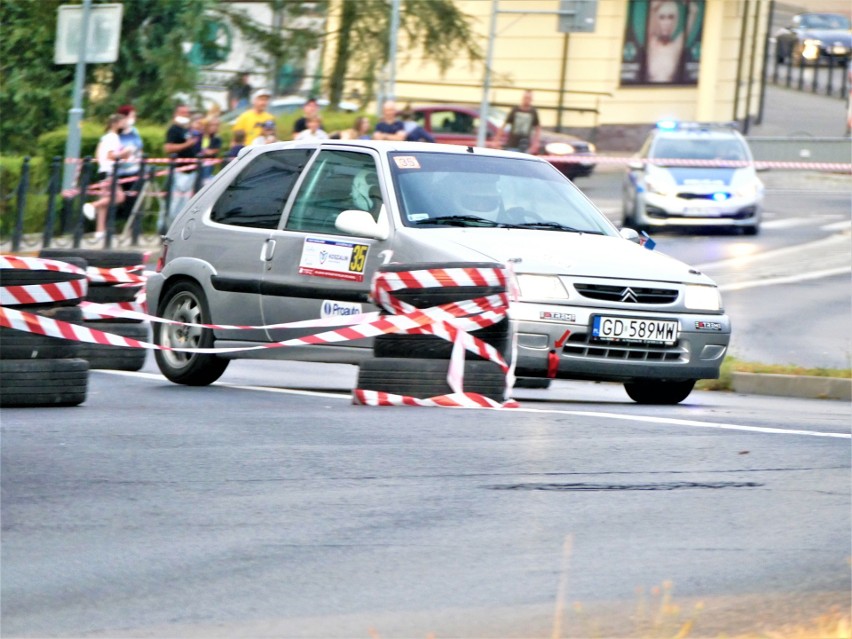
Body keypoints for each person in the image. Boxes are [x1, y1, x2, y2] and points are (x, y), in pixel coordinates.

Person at [83, 113, 132, 238]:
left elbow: (99, 154)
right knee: (119, 197)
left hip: (103, 170)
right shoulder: (113, 137)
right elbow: (111, 155)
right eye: (122, 122)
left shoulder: (105, 137)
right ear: (115, 124)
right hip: (110, 171)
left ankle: (100, 231)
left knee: (104, 200)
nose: (124, 124)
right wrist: (125, 153)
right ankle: (91, 205)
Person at [164, 104, 201, 223]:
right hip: (179, 170)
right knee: (174, 202)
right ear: (177, 114)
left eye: (187, 113)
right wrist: (187, 145)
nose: (186, 115)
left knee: (185, 203)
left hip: (190, 170)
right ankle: (167, 227)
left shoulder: (186, 129)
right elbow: (168, 148)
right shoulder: (173, 129)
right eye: (183, 113)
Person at [114, 104, 143, 221]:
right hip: (120, 170)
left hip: (134, 169)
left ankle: (130, 226)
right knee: (119, 198)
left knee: (132, 198)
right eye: (132, 116)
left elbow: (139, 146)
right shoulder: (117, 132)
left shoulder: (134, 131)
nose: (133, 119)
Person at [645, 0, 685, 83]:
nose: (666, 23)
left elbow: (693, 11)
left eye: (671, 17)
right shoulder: (652, 43)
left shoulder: (676, 46)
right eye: (662, 17)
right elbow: (651, 9)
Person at [198, 116, 223, 183]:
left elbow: (213, 151)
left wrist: (205, 151)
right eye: (212, 125)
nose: (214, 127)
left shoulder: (217, 138)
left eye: (216, 125)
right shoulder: (201, 136)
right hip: (198, 165)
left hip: (209, 166)